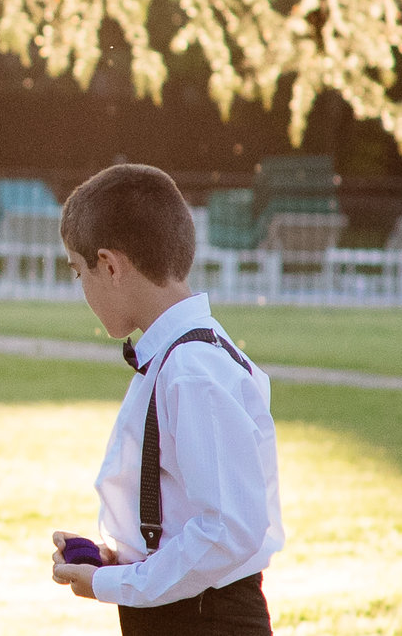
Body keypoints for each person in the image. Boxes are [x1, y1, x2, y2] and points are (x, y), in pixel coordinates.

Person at [49, 163, 283, 634]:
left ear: (110, 265)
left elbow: (227, 530)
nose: (84, 292)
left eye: (79, 273)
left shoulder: (192, 370)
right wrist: (125, 559)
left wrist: (114, 583)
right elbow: (191, 514)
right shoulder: (182, 358)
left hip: (203, 621)